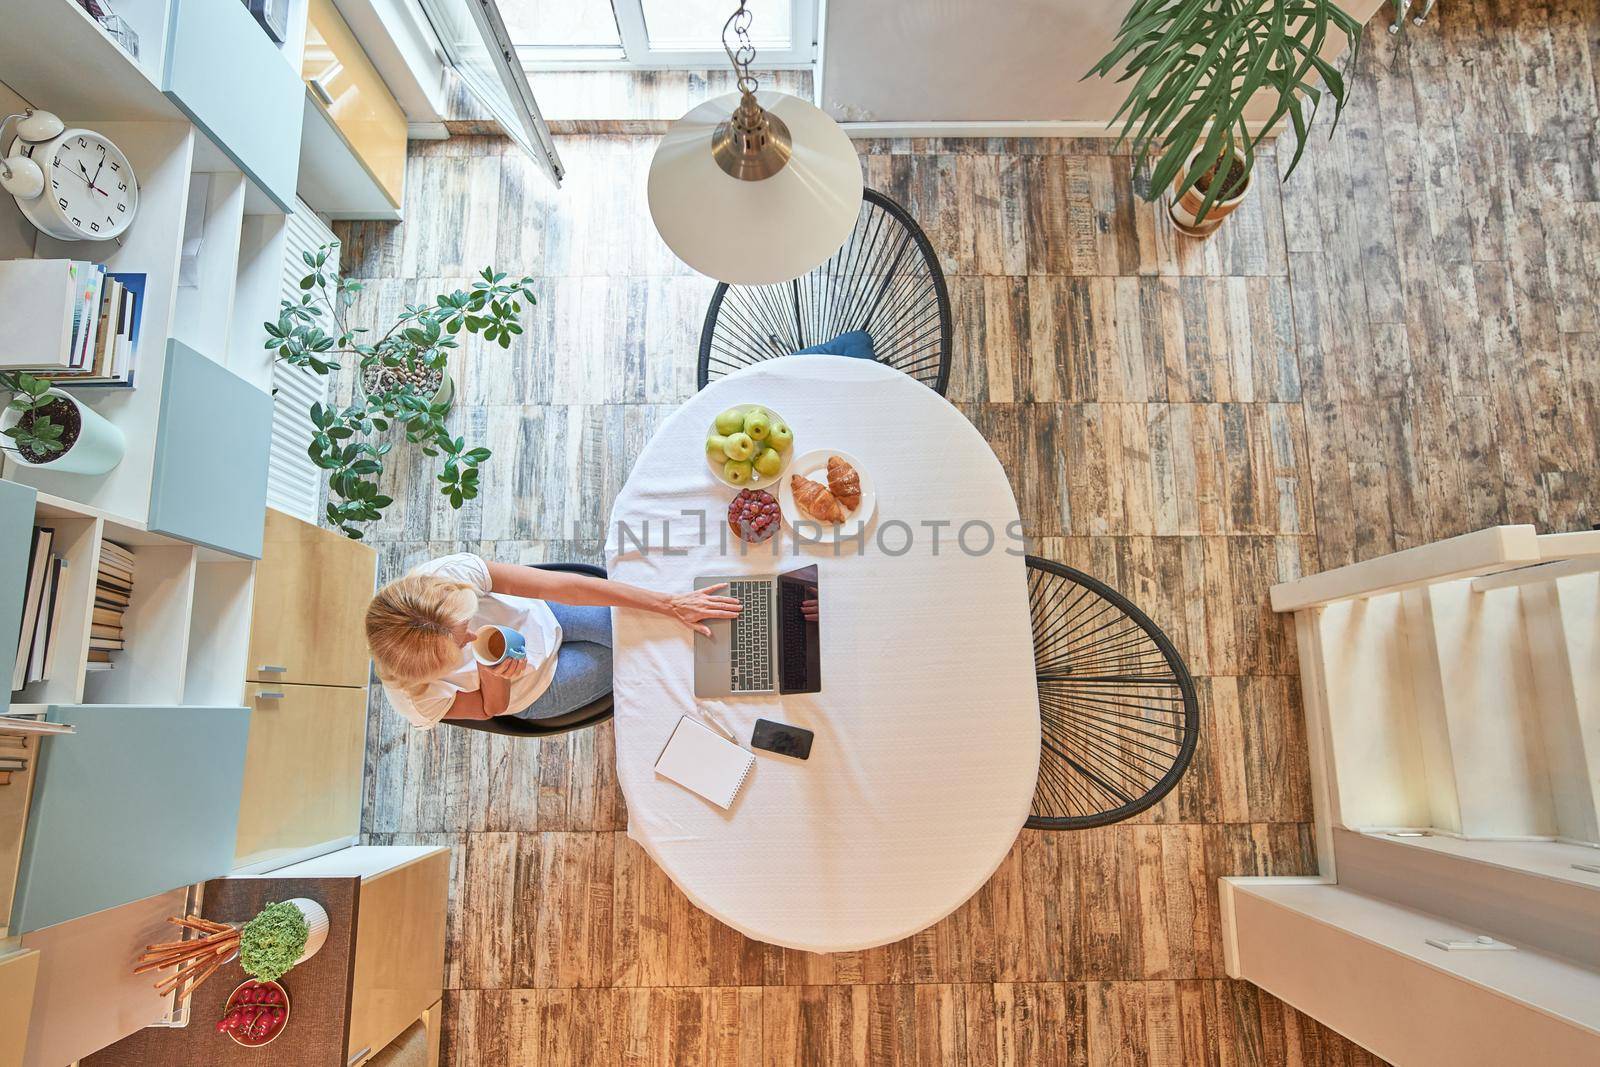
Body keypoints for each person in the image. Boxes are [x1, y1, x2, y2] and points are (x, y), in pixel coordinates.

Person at [364, 553, 741, 728]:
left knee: (652, 628)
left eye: (466, 620)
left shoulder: (445, 577)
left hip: (546, 617)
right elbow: (490, 709)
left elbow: (562, 586)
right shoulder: (416, 700)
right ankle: (739, 680)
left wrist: (671, 604)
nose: (475, 634)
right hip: (533, 688)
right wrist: (494, 674)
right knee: (647, 662)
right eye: (464, 643)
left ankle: (746, 649)